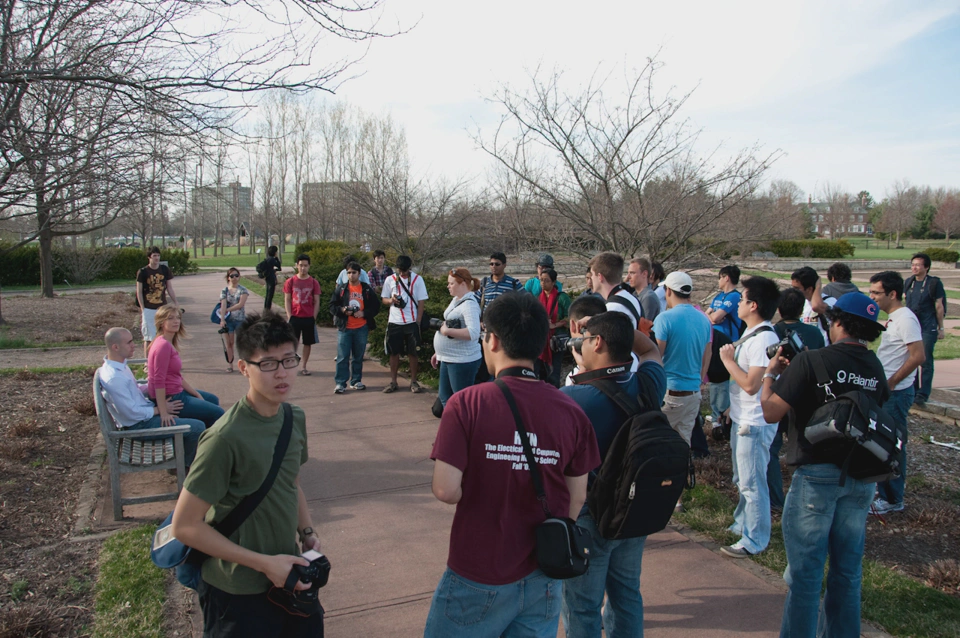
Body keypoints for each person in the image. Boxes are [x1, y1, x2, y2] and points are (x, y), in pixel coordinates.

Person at [424, 292, 600, 638]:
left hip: (477, 569)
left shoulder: (466, 404)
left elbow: (445, 490)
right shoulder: (572, 412)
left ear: (492, 340)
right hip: (544, 574)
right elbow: (576, 499)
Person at [170, 311, 324, 637]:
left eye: (289, 360)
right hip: (236, 593)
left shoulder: (294, 418)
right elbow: (184, 526)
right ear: (244, 368)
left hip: (288, 581)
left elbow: (290, 483)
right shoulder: (224, 437)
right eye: (267, 364)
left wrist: (307, 531)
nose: (282, 373)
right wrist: (264, 564)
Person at [760, 292, 889, 638]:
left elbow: (771, 411)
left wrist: (770, 375)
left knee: (805, 575)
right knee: (847, 574)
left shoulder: (812, 360)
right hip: (862, 475)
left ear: (837, 322)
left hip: (817, 473)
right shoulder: (875, 367)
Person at [559, 311, 666, 638]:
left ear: (598, 343)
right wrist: (620, 326)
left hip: (591, 515)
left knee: (582, 605)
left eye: (586, 337)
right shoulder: (648, 384)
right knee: (627, 595)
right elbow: (649, 351)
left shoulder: (571, 399)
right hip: (635, 510)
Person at [717, 276, 781, 558]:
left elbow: (753, 384)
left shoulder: (764, 338)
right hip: (744, 417)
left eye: (742, 300)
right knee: (743, 478)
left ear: (753, 305)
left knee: (752, 482)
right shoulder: (754, 334)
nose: (738, 304)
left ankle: (754, 539)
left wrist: (729, 361)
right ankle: (742, 523)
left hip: (753, 424)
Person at [98, 327, 205, 466]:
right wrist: (161, 409)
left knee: (191, 410)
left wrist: (158, 388)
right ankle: (185, 466)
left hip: (144, 414)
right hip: (139, 426)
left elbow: (136, 390)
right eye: (129, 342)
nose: (133, 345)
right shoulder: (114, 378)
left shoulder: (119, 366)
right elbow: (131, 413)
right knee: (197, 427)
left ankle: (189, 460)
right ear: (115, 347)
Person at [868, 270, 925, 514]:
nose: (873, 298)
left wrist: (891, 383)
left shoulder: (905, 319)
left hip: (897, 394)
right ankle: (885, 492)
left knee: (892, 445)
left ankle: (893, 499)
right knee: (881, 442)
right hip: (887, 392)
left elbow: (918, 356)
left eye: (876, 293)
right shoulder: (894, 317)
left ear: (892, 294)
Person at [768, 287, 826, 510]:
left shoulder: (773, 332)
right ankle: (802, 498)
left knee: (772, 449)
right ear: (802, 309)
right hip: (806, 397)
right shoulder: (814, 333)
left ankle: (776, 499)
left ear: (779, 309)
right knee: (801, 447)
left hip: (778, 394)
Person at [653, 271, 712, 445]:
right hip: (693, 394)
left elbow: (655, 356)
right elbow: (707, 354)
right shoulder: (703, 319)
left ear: (668, 291)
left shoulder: (664, 319)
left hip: (670, 393)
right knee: (682, 444)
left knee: (659, 444)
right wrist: (699, 380)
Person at [148, 304, 225, 429]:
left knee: (212, 399)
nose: (176, 321)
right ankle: (209, 443)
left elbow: (176, 376)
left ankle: (205, 435)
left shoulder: (168, 342)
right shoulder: (162, 346)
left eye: (178, 317)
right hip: (172, 398)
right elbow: (158, 380)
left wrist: (195, 393)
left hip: (177, 390)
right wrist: (163, 412)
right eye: (170, 318)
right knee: (218, 413)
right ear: (161, 322)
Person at [430, 268, 482, 407]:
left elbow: (473, 333)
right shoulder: (456, 300)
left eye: (451, 283)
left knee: (460, 401)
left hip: (462, 360)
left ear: (463, 284)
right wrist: (438, 352)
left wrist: (448, 331)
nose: (448, 286)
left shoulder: (470, 305)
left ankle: (463, 427)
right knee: (444, 397)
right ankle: (453, 426)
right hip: (448, 357)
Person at [329, 261, 381, 394]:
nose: (351, 275)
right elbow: (332, 306)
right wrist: (342, 310)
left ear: (359, 273)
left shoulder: (366, 289)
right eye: (349, 273)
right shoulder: (341, 289)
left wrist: (364, 313)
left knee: (358, 357)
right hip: (345, 328)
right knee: (342, 357)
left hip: (361, 327)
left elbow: (376, 306)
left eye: (354, 272)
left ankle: (356, 380)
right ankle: (340, 383)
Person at [904, 253, 947, 406]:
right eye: (912, 264)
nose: (914, 267)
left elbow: (939, 306)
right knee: (912, 359)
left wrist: (941, 327)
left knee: (925, 360)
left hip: (928, 326)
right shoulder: (909, 282)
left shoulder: (934, 284)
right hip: (912, 327)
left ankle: (923, 393)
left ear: (926, 267)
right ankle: (913, 389)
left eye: (918, 265)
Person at [381, 255, 429, 393]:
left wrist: (418, 322)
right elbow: (384, 299)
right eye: (400, 270)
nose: (402, 273)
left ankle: (414, 382)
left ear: (410, 268)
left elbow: (421, 302)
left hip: (412, 322)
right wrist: (391, 300)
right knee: (393, 353)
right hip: (395, 322)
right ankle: (393, 381)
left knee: (413, 353)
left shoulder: (417, 280)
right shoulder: (390, 279)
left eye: (405, 270)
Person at [706, 265, 743, 425]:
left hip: (728, 343)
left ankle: (721, 416)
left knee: (722, 379)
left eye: (720, 277)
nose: (718, 281)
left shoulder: (734, 297)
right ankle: (717, 414)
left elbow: (715, 317)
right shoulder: (718, 296)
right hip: (715, 341)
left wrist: (713, 317)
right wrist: (712, 317)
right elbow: (706, 315)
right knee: (714, 378)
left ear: (726, 277)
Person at [283, 254, 322, 376]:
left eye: (305, 266)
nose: (303, 268)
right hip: (295, 316)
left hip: (308, 317)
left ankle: (304, 366)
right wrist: (289, 315)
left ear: (309, 266)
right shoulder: (291, 281)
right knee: (292, 343)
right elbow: (287, 299)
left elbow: (316, 301)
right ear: (297, 266)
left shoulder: (313, 282)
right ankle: (291, 364)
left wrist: (313, 317)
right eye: (301, 265)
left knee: (307, 343)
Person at [137, 246, 178, 357]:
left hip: (162, 308)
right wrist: (142, 308)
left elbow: (169, 287)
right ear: (149, 257)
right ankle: (147, 362)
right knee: (149, 336)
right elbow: (139, 291)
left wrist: (175, 302)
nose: (157, 258)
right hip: (148, 307)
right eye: (154, 256)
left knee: (165, 334)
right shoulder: (143, 272)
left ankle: (166, 358)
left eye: (158, 255)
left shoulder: (164, 270)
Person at [535, 268, 571, 388]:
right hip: (542, 339)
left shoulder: (562, 298)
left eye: (546, 280)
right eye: (541, 280)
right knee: (541, 372)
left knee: (554, 372)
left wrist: (554, 325)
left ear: (554, 282)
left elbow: (570, 317)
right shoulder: (538, 298)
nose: (543, 283)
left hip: (557, 339)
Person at [589, 252, 643, 327]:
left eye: (592, 274)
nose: (591, 278)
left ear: (600, 277)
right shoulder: (631, 298)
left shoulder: (612, 308)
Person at [791, 266, 836, 346]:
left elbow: (816, 306)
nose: (793, 291)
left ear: (809, 289)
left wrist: (818, 287)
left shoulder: (830, 301)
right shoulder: (802, 303)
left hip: (824, 352)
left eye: (797, 288)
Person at [219, 268, 250, 373]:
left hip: (240, 319)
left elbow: (240, 304)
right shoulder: (224, 291)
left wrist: (228, 309)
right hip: (229, 320)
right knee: (229, 343)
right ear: (228, 278)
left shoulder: (243, 290)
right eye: (232, 276)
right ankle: (230, 364)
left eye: (236, 275)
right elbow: (223, 305)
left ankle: (244, 365)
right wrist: (222, 319)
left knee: (241, 343)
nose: (234, 278)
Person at [626, 257, 660, 324]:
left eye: (632, 273)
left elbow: (643, 327)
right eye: (628, 273)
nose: (628, 277)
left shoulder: (648, 297)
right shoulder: (634, 295)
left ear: (644, 274)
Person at [261, 246, 283, 310]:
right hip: (271, 278)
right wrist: (276, 258)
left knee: (268, 293)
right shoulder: (272, 259)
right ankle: (267, 308)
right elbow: (279, 267)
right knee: (270, 294)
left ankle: (266, 307)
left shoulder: (268, 259)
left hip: (268, 277)